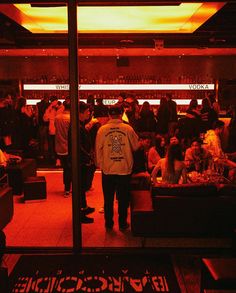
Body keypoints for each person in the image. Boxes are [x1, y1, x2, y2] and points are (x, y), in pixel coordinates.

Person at [95, 105, 140, 230]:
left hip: (108, 169)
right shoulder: (128, 129)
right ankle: (122, 223)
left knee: (108, 198)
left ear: (109, 115)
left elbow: (98, 149)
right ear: (121, 114)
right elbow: (136, 147)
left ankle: (109, 223)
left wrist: (100, 164)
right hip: (124, 168)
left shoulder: (102, 130)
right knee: (123, 198)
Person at [68, 101, 95, 224]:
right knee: (80, 188)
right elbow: (78, 146)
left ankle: (84, 208)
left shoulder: (78, 124)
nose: (89, 114)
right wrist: (88, 156)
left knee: (82, 187)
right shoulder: (76, 126)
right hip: (80, 162)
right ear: (80, 113)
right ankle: (80, 213)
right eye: (87, 112)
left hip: (81, 161)